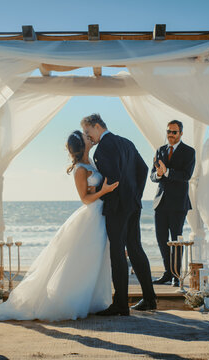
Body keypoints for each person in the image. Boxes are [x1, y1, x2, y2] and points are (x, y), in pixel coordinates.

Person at [0, 130, 118, 321]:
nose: (89, 138)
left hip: (99, 216)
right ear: (82, 145)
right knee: (82, 259)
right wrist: (103, 191)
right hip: (91, 215)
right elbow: (85, 199)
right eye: (85, 137)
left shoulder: (92, 162)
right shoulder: (80, 169)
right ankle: (70, 300)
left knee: (94, 259)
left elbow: (92, 188)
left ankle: (91, 300)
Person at [82, 114, 157, 314]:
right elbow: (143, 169)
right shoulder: (126, 142)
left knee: (118, 253)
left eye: (88, 132)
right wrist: (135, 196)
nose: (88, 137)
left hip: (117, 208)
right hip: (133, 205)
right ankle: (150, 299)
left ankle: (121, 304)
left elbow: (112, 179)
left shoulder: (103, 149)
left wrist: (104, 197)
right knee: (135, 249)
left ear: (97, 126)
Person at [150, 120, 196, 287]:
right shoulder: (160, 150)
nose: (170, 134)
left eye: (174, 132)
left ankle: (177, 275)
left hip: (178, 203)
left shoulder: (189, 152)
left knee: (176, 239)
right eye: (168, 131)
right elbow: (152, 176)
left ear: (181, 133)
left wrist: (167, 172)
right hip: (160, 202)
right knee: (161, 239)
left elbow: (186, 175)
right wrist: (160, 174)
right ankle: (167, 273)